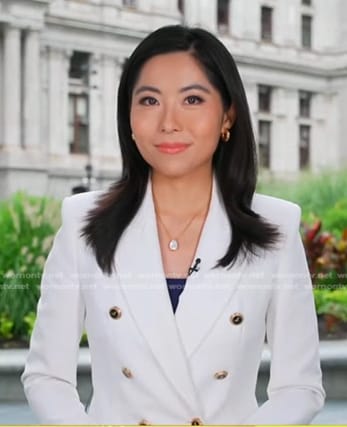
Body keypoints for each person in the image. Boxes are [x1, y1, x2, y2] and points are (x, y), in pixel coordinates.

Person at [21, 25, 325, 425]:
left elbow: (299, 387)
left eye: (192, 99)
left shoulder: (276, 227)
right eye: (149, 100)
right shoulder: (84, 222)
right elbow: (47, 376)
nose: (168, 122)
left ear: (227, 115)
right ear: (129, 117)